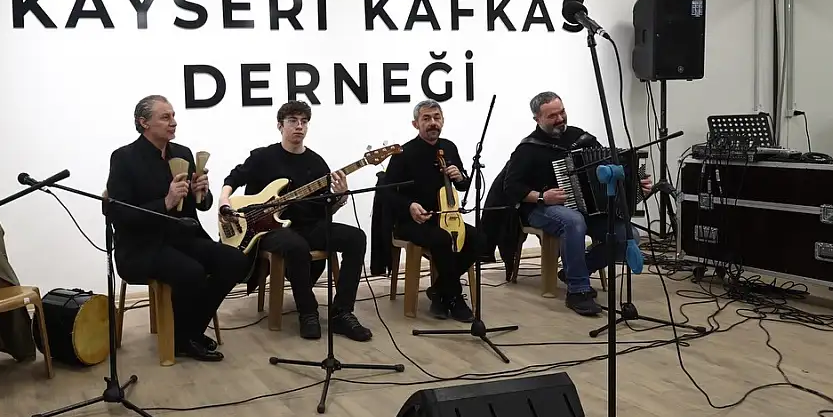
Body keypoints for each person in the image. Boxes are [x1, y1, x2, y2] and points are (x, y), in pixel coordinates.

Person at [107, 95, 250, 361]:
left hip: (183, 239)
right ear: (144, 123)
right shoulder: (124, 158)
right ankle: (184, 338)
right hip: (142, 246)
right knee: (191, 272)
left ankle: (189, 331)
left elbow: (201, 206)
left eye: (173, 116)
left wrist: (201, 192)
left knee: (235, 260)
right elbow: (120, 214)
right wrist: (165, 202)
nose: (173, 122)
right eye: (165, 117)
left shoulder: (182, 153)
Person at [219, 101, 372, 342]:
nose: (299, 126)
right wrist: (223, 202)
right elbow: (234, 178)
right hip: (268, 229)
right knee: (295, 245)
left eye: (304, 121)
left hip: (309, 226)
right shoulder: (263, 157)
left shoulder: (316, 163)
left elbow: (326, 209)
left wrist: (341, 197)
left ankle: (342, 313)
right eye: (292, 121)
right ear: (280, 126)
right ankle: (308, 313)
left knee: (356, 237)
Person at [502, 91, 651, 316]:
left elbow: (608, 168)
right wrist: (542, 196)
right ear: (537, 119)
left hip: (590, 209)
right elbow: (510, 187)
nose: (560, 119)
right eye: (552, 116)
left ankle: (577, 270)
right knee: (573, 221)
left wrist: (636, 185)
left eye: (562, 112)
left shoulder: (581, 138)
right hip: (540, 208)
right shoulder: (528, 149)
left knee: (629, 236)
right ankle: (578, 290)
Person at [383, 99, 484, 322]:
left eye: (436, 118)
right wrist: (409, 206)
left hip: (447, 217)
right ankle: (454, 297)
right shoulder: (403, 153)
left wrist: (461, 177)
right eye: (426, 118)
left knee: (478, 238)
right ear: (415, 124)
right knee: (442, 239)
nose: (432, 123)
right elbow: (386, 192)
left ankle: (439, 291)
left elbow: (463, 186)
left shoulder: (449, 147)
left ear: (443, 121)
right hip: (413, 221)